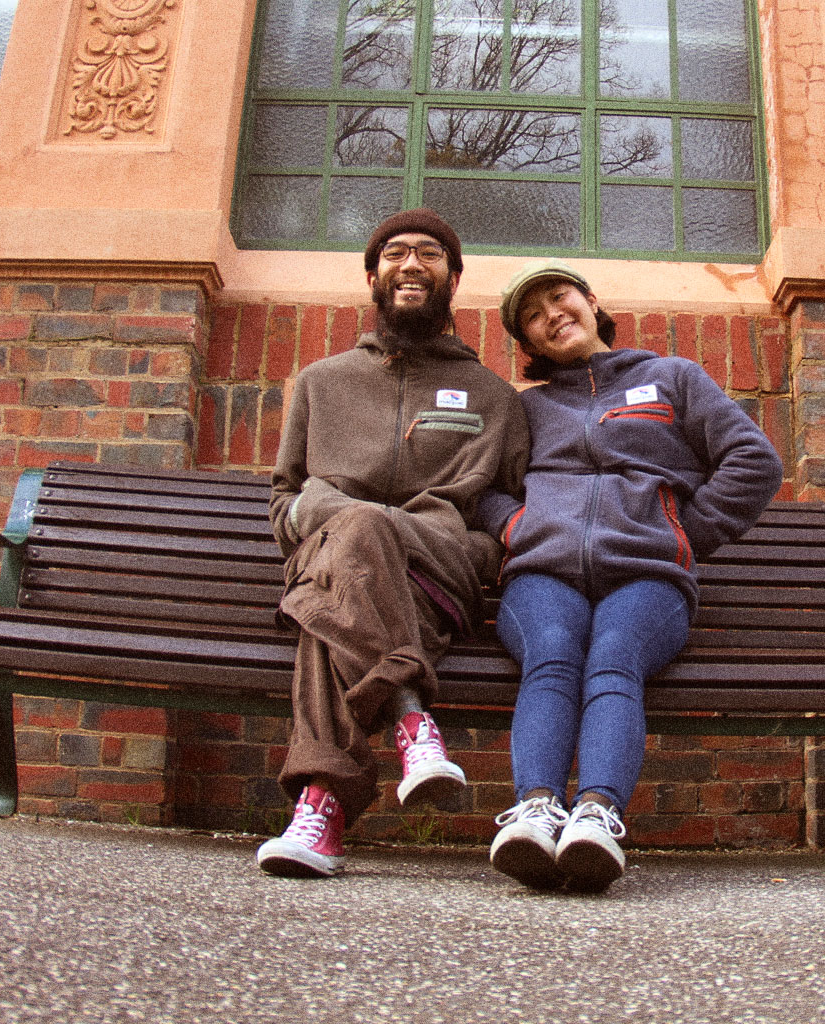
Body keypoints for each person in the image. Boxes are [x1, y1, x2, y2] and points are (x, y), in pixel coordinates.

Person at [479, 259, 783, 893]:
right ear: (529, 343)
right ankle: (536, 811)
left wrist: (681, 534)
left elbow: (753, 460)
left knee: (615, 657)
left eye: (559, 299)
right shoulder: (527, 409)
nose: (551, 316)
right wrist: (519, 529)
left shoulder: (671, 378)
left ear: (592, 302)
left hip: (647, 578)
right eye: (533, 317)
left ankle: (597, 816)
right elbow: (481, 487)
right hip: (543, 571)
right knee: (554, 654)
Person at [256, 209, 531, 878]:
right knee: (343, 570)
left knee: (346, 561)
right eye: (396, 253)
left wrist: (350, 513)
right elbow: (283, 502)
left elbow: (510, 513)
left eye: (430, 254)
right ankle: (394, 739)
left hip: (438, 569)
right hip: (338, 568)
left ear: (453, 278)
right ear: (373, 275)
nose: (412, 264)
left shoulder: (495, 399)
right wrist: (329, 514)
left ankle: (322, 810)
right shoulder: (322, 383)